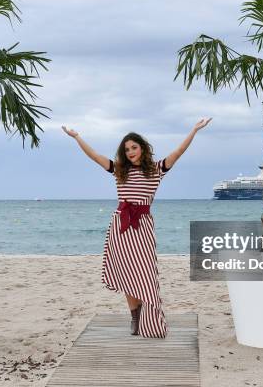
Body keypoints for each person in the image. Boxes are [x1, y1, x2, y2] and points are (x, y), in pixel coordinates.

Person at [62, 118, 212, 337]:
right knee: (126, 273)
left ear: (143, 148)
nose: (130, 151)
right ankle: (135, 316)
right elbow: (95, 156)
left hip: (142, 226)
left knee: (144, 272)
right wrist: (77, 137)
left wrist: (194, 130)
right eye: (127, 149)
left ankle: (147, 314)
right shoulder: (119, 170)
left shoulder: (156, 169)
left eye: (134, 147)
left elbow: (179, 151)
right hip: (121, 225)